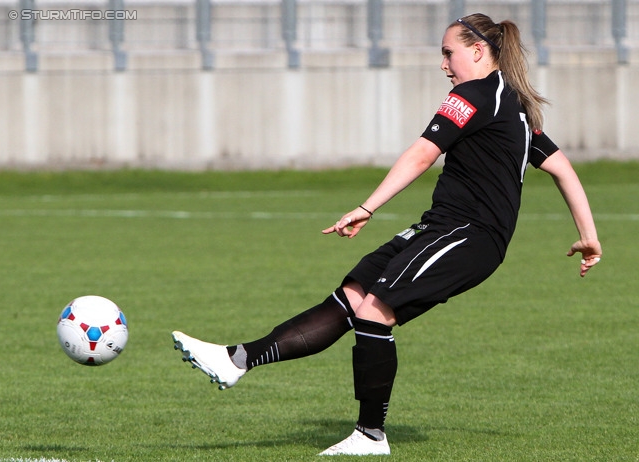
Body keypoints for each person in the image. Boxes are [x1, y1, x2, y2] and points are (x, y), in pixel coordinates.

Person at [172, 13, 602, 456]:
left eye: (447, 52)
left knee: (375, 312)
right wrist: (589, 235)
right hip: (441, 227)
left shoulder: (473, 95)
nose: (443, 64)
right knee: (353, 298)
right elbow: (563, 168)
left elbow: (421, 154)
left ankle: (370, 436)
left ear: (477, 50)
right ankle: (235, 359)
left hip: (469, 235)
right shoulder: (508, 101)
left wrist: (366, 207)